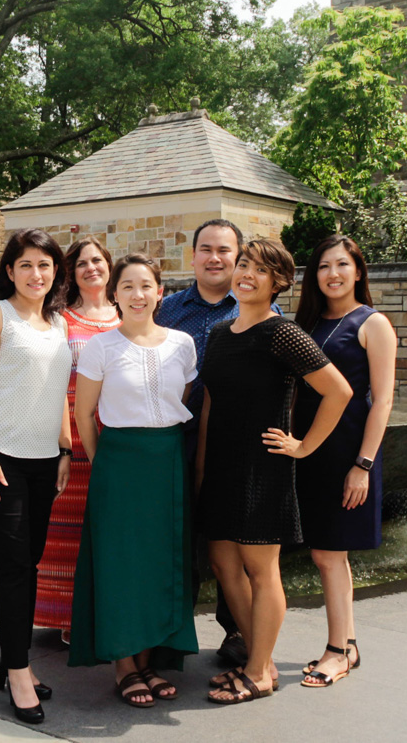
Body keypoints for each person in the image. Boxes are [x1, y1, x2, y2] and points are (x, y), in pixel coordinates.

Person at [196, 238, 351, 704]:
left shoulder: (282, 333)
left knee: (262, 571)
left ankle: (261, 671)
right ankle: (254, 660)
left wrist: (303, 447)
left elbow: (338, 392)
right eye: (244, 264)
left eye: (260, 270)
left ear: (278, 282)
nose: (246, 274)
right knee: (224, 564)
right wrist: (202, 466)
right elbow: (209, 402)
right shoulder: (221, 333)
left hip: (263, 467)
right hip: (221, 465)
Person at [69, 254, 198, 708]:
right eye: (128, 286)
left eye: (146, 285)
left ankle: (149, 659)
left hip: (166, 460)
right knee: (122, 562)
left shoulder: (182, 343)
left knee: (160, 561)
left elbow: (178, 399)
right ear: (115, 294)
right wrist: (105, 461)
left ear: (160, 292)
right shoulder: (101, 347)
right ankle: (125, 664)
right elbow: (84, 413)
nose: (138, 294)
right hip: (119, 464)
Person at [155, 218, 279, 669]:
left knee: (235, 547)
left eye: (225, 251)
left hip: (237, 448)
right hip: (175, 439)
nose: (214, 258)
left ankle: (239, 634)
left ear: (238, 257)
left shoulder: (259, 310)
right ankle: (171, 632)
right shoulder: (166, 309)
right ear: (192, 256)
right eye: (205, 249)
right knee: (176, 540)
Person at [0, 228, 72, 725]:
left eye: (45, 265)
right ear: (10, 270)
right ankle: (19, 673)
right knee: (11, 568)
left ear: (55, 272)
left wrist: (66, 449)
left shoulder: (58, 323)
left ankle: (11, 665)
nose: (36, 274)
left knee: (27, 565)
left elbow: (56, 390)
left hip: (43, 461)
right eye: (26, 264)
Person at [293, 235, 396, 688]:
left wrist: (364, 464)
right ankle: (349, 644)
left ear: (358, 271)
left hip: (347, 455)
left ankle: (336, 652)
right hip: (310, 450)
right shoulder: (308, 323)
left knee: (328, 554)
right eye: (323, 266)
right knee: (329, 555)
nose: (332, 274)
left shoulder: (373, 323)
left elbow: (384, 400)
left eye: (341, 265)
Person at [35, 237, 120, 643]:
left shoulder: (128, 314)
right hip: (69, 432)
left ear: (109, 265)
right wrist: (61, 445)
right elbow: (49, 382)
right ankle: (69, 614)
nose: (91, 268)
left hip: (116, 434)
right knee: (67, 528)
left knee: (109, 527)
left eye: (98, 260)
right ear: (72, 271)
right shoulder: (59, 319)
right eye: (82, 262)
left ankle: (106, 608)